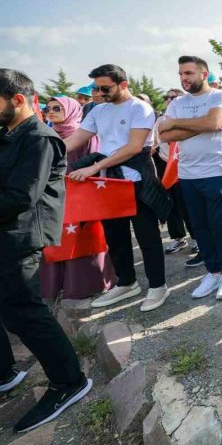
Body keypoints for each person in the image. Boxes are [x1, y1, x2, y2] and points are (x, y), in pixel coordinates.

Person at [0, 68, 93, 434]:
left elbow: (21, 197)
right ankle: (5, 373)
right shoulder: (7, 134)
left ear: (17, 100)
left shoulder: (39, 138)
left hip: (19, 238)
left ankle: (68, 382)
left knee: (26, 314)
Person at [64, 64, 170, 312]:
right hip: (108, 182)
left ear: (123, 84)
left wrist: (94, 167)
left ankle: (158, 286)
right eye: (96, 88)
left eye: (105, 88)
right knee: (115, 235)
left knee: (147, 235)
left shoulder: (139, 108)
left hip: (136, 177)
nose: (99, 93)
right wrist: (45, 148)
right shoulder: (98, 111)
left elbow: (134, 147)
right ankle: (126, 282)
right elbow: (74, 140)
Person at [158, 56, 222, 300]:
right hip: (187, 172)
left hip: (217, 169)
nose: (184, 78)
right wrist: (200, 125)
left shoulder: (219, 96)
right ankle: (213, 271)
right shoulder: (177, 103)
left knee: (221, 223)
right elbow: (164, 134)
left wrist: (178, 125)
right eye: (181, 73)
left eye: (189, 73)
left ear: (204, 74)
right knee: (199, 224)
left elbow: (215, 121)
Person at [39, 95, 115, 300]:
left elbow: (91, 168)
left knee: (81, 238)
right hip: (51, 199)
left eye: (57, 108)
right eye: (48, 108)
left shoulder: (85, 135)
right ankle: (56, 285)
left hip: (80, 198)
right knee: (54, 240)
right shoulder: (44, 135)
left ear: (71, 110)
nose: (51, 111)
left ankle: (83, 285)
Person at [153, 88, 196, 255]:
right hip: (165, 165)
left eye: (174, 97)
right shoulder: (160, 121)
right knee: (171, 204)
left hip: (185, 164)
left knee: (188, 205)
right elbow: (155, 141)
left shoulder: (190, 119)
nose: (170, 100)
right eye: (167, 97)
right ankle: (178, 237)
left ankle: (196, 238)